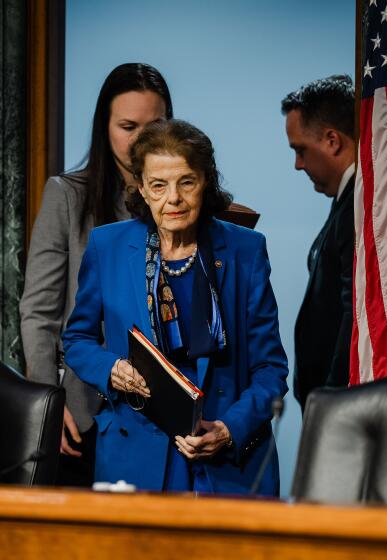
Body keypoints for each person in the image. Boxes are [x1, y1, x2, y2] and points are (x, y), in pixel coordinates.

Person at [62, 119, 288, 495]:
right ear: (141, 188)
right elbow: (77, 339)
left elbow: (271, 369)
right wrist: (111, 369)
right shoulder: (108, 247)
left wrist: (230, 429)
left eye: (187, 182)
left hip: (226, 459)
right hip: (134, 454)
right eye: (159, 185)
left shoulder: (246, 251)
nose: (174, 199)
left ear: (206, 180)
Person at [20, 63, 172, 486]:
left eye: (154, 124)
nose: (141, 139)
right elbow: (40, 312)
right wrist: (46, 403)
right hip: (84, 410)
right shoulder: (68, 196)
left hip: (164, 413)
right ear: (104, 127)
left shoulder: (183, 201)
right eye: (128, 125)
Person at [281, 75, 356, 410]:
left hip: (340, 409)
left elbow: (352, 314)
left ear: (332, 140)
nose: (297, 165)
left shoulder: (360, 206)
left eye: (301, 150)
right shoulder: (345, 203)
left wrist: (331, 403)